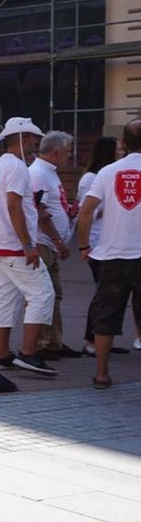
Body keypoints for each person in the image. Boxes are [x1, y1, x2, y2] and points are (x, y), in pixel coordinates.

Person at [0, 117, 57, 376]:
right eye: (31, 139)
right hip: (15, 246)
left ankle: (2, 355)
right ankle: (28, 353)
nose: (34, 143)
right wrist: (28, 244)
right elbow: (14, 206)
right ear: (22, 139)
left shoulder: (1, 164)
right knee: (42, 294)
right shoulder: (16, 166)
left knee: (5, 299)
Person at [76, 119, 141, 389]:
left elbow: (86, 211)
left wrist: (83, 246)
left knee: (106, 316)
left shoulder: (107, 172)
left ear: (123, 143)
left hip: (111, 255)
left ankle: (102, 374)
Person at [28, 130, 82, 359]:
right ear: (56, 152)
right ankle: (42, 344)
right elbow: (39, 213)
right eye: (68, 152)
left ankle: (53, 342)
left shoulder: (48, 172)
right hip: (44, 244)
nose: (70, 156)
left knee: (54, 294)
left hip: (50, 245)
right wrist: (59, 241)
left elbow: (51, 205)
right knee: (44, 295)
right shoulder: (38, 174)